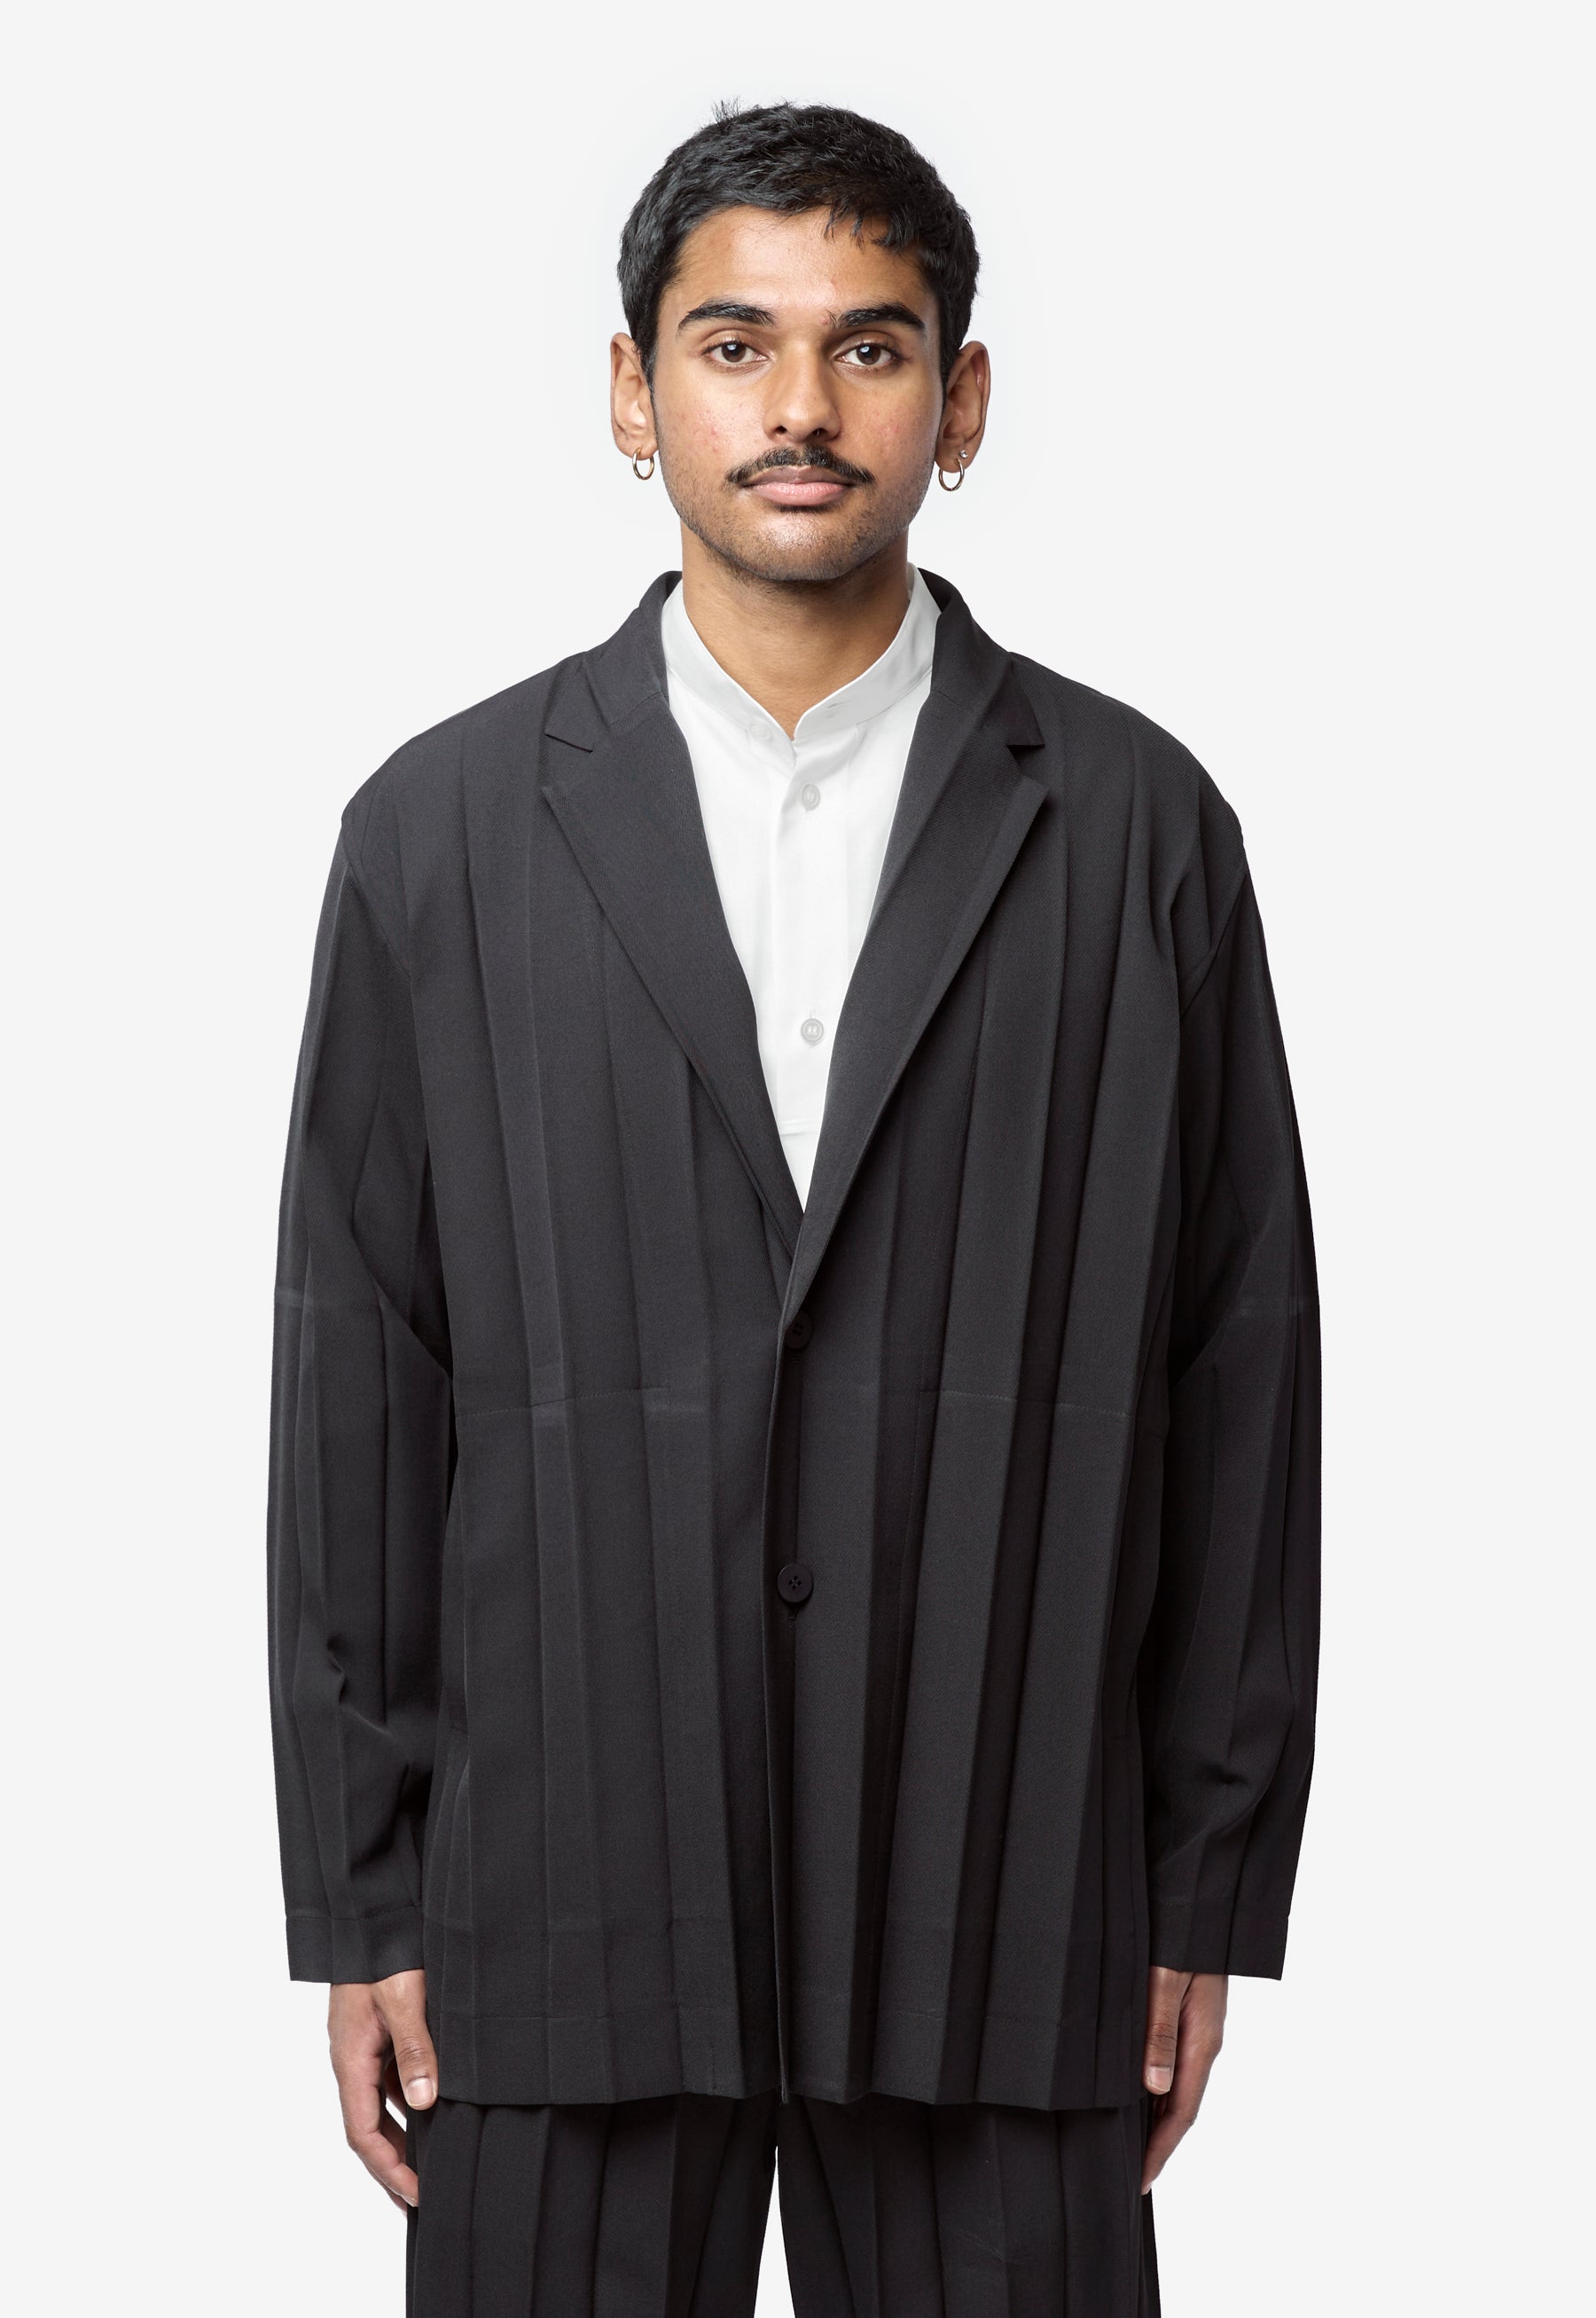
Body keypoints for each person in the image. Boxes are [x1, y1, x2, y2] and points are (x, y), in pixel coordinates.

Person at [267, 98, 1320, 2317]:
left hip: (1004, 1889)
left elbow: (1243, 1376)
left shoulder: (1138, 833)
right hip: (558, 1906)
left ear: (964, 400)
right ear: (633, 390)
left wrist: (1206, 1870)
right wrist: (361, 1894)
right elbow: (361, 1384)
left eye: (873, 345)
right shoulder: (440, 837)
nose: (804, 406)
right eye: (736, 344)